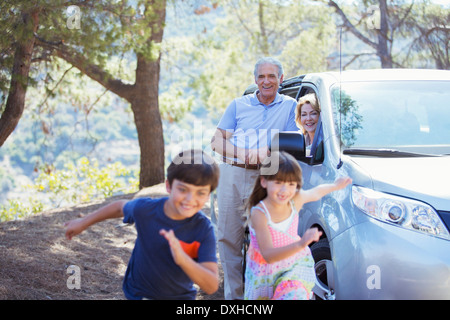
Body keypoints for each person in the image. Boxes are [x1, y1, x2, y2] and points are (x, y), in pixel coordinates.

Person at [64, 149, 220, 300]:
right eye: (183, 189)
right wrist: (83, 223)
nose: (190, 199)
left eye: (200, 192)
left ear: (208, 195)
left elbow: (211, 286)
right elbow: (119, 207)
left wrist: (183, 260)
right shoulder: (146, 210)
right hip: (137, 294)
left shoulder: (203, 229)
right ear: (168, 186)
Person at [211, 57, 299, 300]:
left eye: (272, 76)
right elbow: (217, 141)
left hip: (268, 177)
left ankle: (260, 297)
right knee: (229, 237)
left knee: (265, 241)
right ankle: (234, 298)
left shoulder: (291, 107)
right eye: (261, 76)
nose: (266, 81)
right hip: (233, 172)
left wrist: (268, 153)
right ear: (255, 80)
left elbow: (295, 142)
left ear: (281, 79)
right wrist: (243, 153)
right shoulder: (238, 105)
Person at [244, 151, 351, 300]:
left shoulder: (295, 199)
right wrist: (301, 243)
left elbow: (316, 193)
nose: (284, 190)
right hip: (265, 273)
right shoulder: (260, 213)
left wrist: (334, 186)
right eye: (278, 182)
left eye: (291, 184)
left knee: (294, 295)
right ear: (264, 181)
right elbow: (268, 255)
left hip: (292, 267)